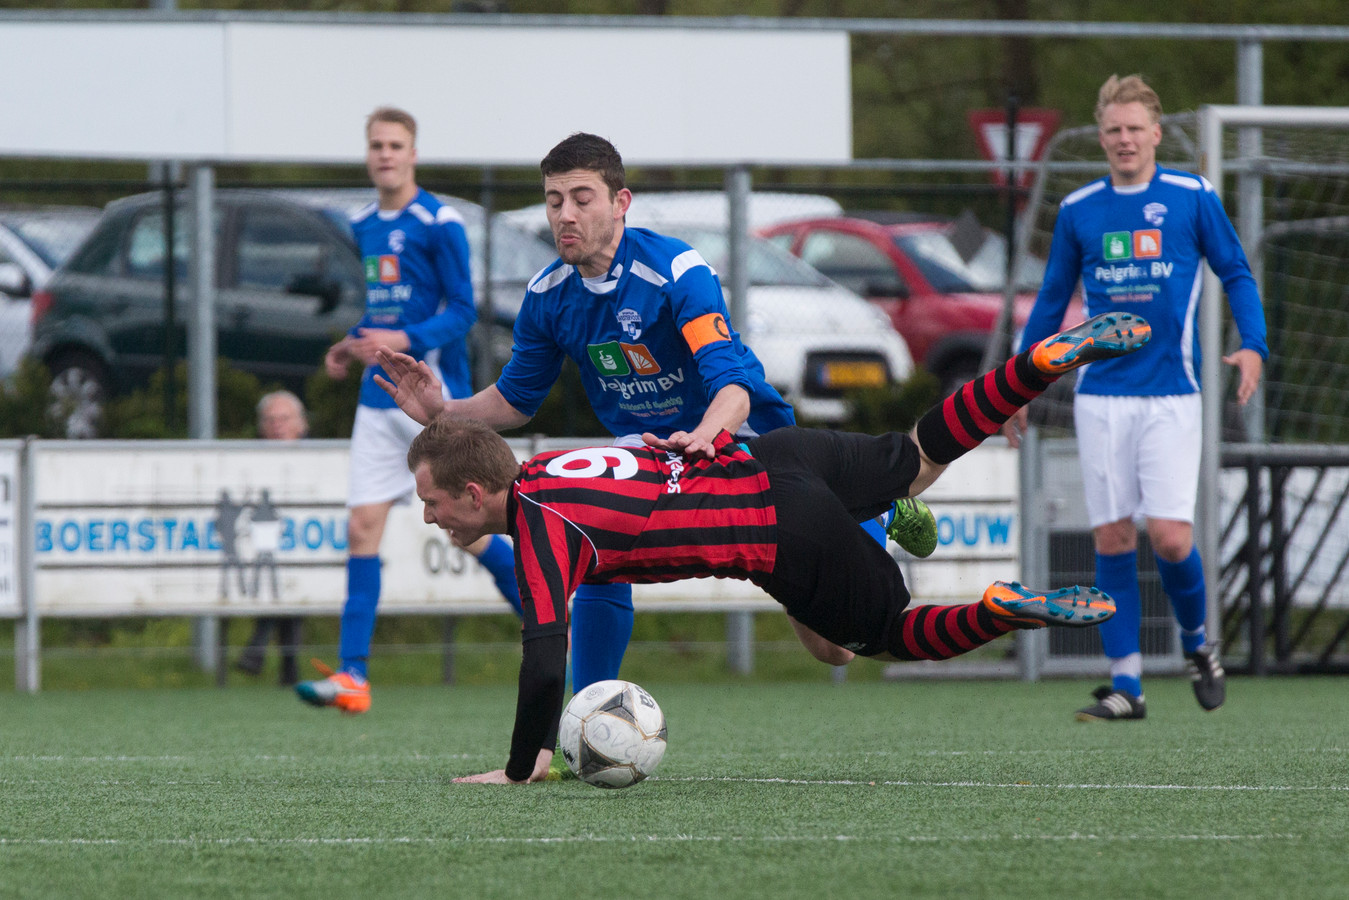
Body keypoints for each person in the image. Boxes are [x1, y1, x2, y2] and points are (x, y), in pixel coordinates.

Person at [381, 309, 1149, 783]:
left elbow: (546, 658)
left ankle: (1001, 607)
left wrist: (520, 770)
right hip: (776, 452)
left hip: (780, 530)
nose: (427, 517)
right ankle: (1033, 367)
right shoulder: (549, 467)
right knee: (919, 455)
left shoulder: (545, 529)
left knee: (886, 635)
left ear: (476, 495)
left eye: (431, 502)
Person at [375, 131, 901, 692]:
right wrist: (443, 411)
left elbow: (735, 388)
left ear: (620, 204)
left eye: (582, 198)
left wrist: (702, 437)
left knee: (835, 648)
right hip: (650, 455)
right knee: (593, 538)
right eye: (555, 202)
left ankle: (876, 510)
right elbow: (515, 400)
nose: (564, 216)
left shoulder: (675, 269)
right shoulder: (548, 294)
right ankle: (586, 721)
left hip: (749, 447)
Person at [1004, 74, 1268, 722]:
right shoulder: (1078, 210)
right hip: (1100, 397)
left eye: (1134, 129)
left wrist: (1253, 342)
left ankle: (1196, 643)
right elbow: (1049, 301)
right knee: (1114, 537)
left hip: (1171, 396)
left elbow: (1233, 269)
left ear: (1155, 135)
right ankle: (1126, 684)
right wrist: (1018, 382)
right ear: (1101, 139)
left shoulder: (1190, 196)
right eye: (1113, 130)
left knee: (1172, 539)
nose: (1124, 140)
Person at [295, 107, 522, 715]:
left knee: (470, 531)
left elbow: (462, 311)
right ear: (367, 154)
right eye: (376, 145)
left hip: (429, 392)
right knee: (360, 528)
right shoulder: (363, 223)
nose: (385, 155)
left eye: (395, 145)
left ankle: (548, 622)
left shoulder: (438, 221)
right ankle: (353, 677)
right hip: (376, 399)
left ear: (413, 153)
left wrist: (405, 342)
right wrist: (351, 343)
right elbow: (383, 309)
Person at [235, 390, 308, 685]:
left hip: (307, 541)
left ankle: (259, 645)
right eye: (270, 420)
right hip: (265, 540)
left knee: (286, 575)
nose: (277, 426)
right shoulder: (250, 465)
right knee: (275, 575)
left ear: (302, 425)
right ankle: (284, 664)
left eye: (284, 419)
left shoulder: (319, 461)